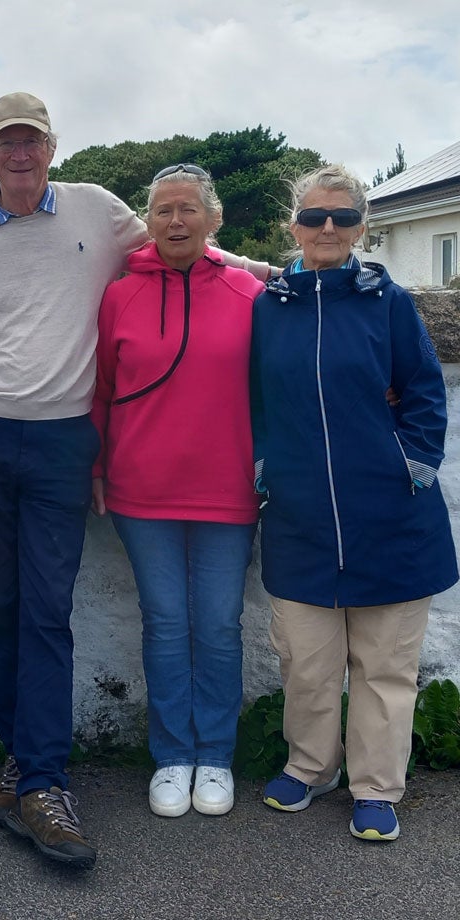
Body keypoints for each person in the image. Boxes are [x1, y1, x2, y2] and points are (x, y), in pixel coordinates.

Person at [0, 92, 273, 869]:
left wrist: (268, 269)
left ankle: (46, 780)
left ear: (52, 146)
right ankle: (22, 765)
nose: (19, 154)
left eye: (31, 141)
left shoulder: (98, 209)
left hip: (62, 439)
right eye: (5, 143)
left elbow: (180, 242)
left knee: (48, 610)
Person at [250, 164, 456, 841]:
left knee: (384, 668)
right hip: (300, 517)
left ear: (363, 227)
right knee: (306, 663)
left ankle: (376, 787)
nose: (328, 228)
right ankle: (311, 767)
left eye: (342, 217)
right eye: (314, 217)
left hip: (391, 515)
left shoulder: (387, 302)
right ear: (295, 227)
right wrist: (262, 467)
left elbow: (425, 390)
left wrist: (413, 469)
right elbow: (253, 398)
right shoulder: (267, 305)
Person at [90, 164, 263, 819]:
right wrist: (97, 469)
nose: (176, 221)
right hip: (141, 492)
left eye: (188, 209)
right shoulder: (119, 296)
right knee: (165, 624)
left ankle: (215, 754)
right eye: (163, 210)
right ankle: (172, 757)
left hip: (227, 491)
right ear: (149, 220)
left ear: (213, 218)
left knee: (218, 625)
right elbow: (102, 388)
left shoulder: (250, 292)